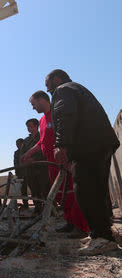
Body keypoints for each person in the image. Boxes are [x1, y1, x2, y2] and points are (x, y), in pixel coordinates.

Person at [45, 69, 120, 254]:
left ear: (56, 79)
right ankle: (103, 234)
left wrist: (61, 145)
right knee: (97, 190)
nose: (49, 91)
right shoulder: (78, 89)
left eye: (48, 86)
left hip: (88, 146)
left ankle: (101, 237)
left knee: (85, 191)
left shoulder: (63, 90)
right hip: (100, 143)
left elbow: (65, 115)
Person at [22, 90, 89, 237]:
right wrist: (28, 153)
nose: (33, 108)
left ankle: (82, 226)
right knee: (61, 195)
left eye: (34, 104)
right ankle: (70, 222)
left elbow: (69, 134)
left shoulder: (58, 113)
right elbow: (42, 142)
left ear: (41, 100)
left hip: (64, 162)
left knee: (73, 192)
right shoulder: (42, 121)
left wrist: (69, 159)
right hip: (51, 165)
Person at [20, 119, 50, 214]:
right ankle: (37, 209)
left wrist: (34, 159)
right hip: (30, 171)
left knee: (45, 190)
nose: (29, 128)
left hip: (42, 169)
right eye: (27, 127)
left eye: (30, 126)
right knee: (34, 191)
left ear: (37, 126)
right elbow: (22, 154)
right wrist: (24, 161)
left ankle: (49, 209)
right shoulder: (26, 141)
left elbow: (45, 150)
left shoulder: (42, 136)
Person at [13, 138, 28, 205]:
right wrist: (17, 173)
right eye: (17, 144)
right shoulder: (16, 153)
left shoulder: (27, 151)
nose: (17, 145)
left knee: (35, 190)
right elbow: (15, 163)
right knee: (23, 191)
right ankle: (25, 204)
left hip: (29, 173)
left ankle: (38, 205)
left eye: (19, 144)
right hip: (20, 174)